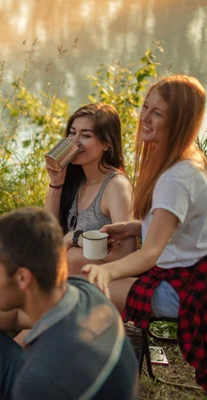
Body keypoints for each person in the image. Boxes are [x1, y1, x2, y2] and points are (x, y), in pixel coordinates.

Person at [0, 207, 138, 400]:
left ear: (22, 278)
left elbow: (42, 382)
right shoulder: (83, 290)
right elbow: (15, 316)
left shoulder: (39, 380)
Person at [82, 75, 207, 390]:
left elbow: (151, 252)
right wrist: (135, 226)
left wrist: (106, 273)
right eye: (145, 107)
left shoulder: (176, 178)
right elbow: (179, 228)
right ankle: (110, 365)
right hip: (187, 271)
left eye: (158, 113)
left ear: (179, 120)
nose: (145, 118)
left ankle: (107, 376)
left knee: (93, 289)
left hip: (187, 288)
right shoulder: (188, 159)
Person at [0, 103, 136, 301]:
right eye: (72, 133)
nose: (75, 142)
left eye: (86, 135)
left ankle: (26, 303)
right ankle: (25, 299)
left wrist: (74, 240)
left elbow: (128, 254)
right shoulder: (78, 179)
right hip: (58, 266)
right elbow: (49, 231)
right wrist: (56, 184)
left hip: (83, 274)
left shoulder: (115, 186)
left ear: (107, 143)